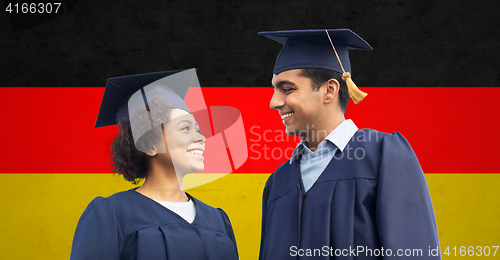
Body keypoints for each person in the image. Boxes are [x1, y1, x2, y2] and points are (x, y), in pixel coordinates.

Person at [258, 29, 440, 259]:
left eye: (287, 89)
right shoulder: (277, 183)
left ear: (329, 90)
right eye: (274, 90)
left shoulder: (383, 156)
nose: (274, 102)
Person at [70, 69, 238, 260]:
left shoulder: (217, 220)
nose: (201, 137)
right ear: (149, 144)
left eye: (198, 129)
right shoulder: (110, 215)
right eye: (185, 128)